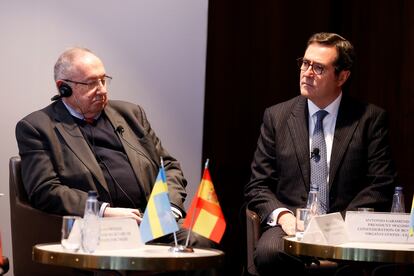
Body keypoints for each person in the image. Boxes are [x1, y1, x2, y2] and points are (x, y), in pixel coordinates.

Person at [15, 47, 214, 250]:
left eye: (103, 80)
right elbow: (45, 190)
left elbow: (169, 166)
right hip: (100, 230)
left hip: (150, 224)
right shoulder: (37, 127)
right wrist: (103, 211)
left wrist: (169, 209)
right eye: (91, 83)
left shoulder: (130, 114)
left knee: (200, 243)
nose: (102, 90)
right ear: (63, 87)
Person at [244, 32, 399, 275]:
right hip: (292, 226)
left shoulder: (369, 119)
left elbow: (381, 183)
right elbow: (258, 185)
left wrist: (336, 224)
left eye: (318, 68)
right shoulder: (277, 117)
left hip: (348, 226)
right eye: (305, 63)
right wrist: (284, 217)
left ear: (342, 76)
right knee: (269, 254)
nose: (307, 73)